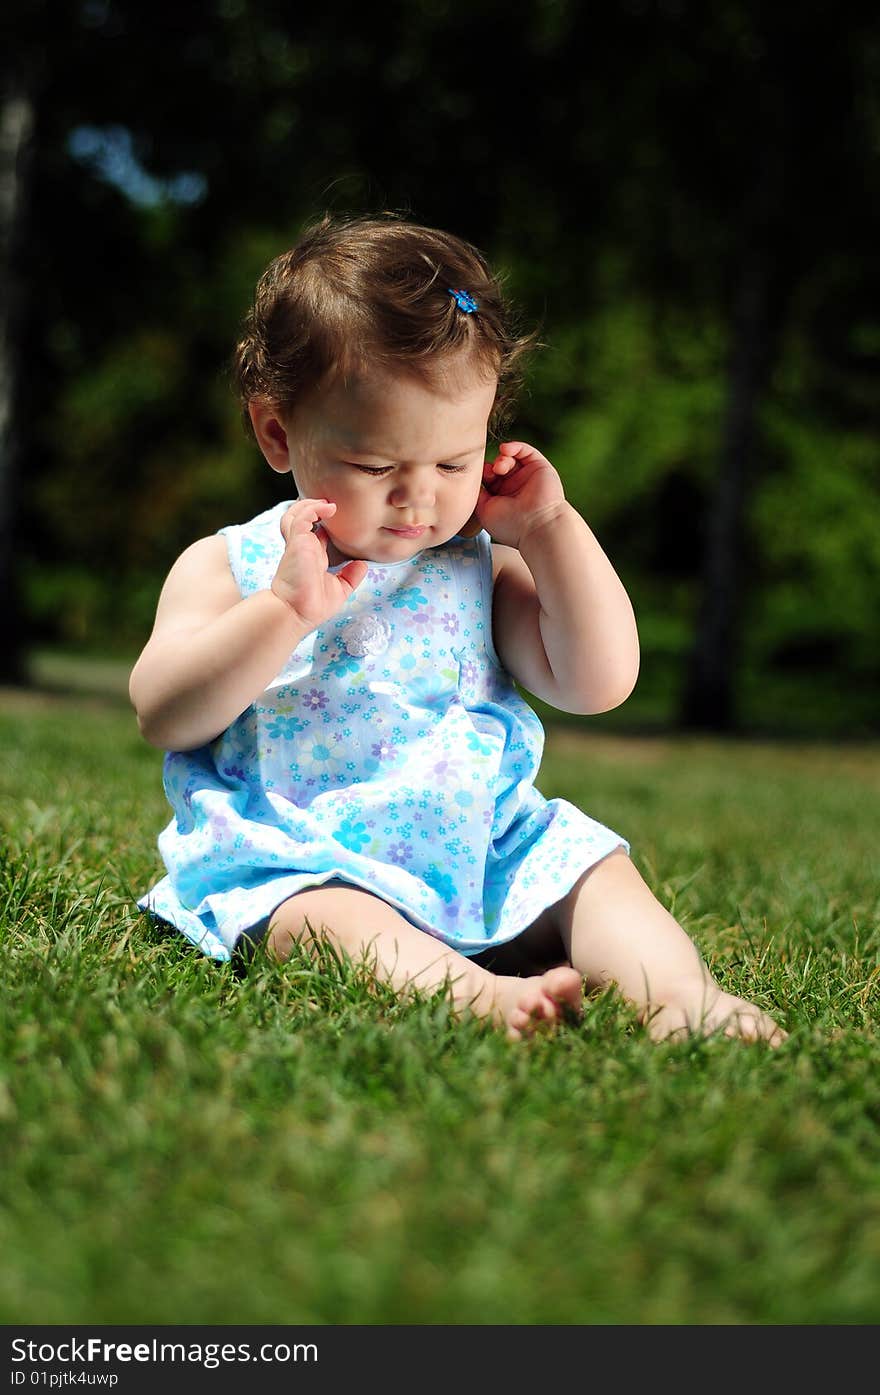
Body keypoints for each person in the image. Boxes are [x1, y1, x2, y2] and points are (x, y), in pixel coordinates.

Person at [130, 213, 786, 1046]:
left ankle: (684, 998)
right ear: (276, 431)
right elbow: (164, 711)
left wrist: (549, 528)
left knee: (592, 873)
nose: (419, 497)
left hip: (484, 848)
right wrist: (281, 613)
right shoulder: (229, 566)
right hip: (304, 856)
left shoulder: (478, 567)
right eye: (376, 467)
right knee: (319, 920)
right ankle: (474, 994)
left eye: (452, 462)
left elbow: (599, 679)